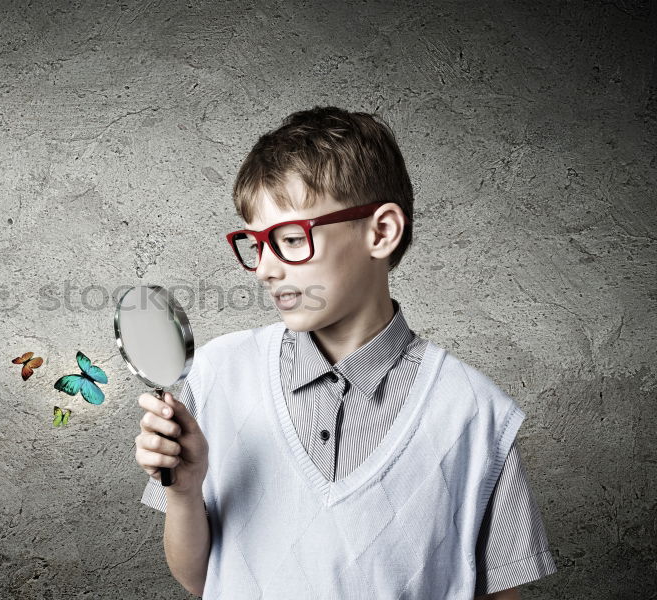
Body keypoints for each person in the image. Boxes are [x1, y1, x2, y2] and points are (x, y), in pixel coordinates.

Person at [133, 106, 557, 599]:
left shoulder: (476, 414)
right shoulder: (218, 373)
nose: (265, 269)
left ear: (381, 232)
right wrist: (184, 492)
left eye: (290, 239)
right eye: (255, 243)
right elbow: (200, 579)